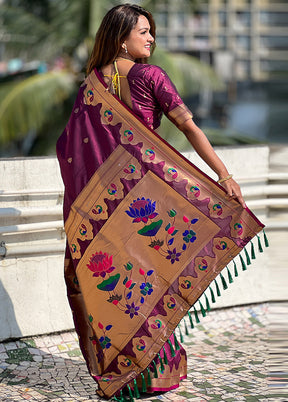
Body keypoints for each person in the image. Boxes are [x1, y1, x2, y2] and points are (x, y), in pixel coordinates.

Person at [56, 4, 264, 401]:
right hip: (146, 200)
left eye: (151, 31)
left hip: (99, 205)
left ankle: (120, 373)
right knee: (149, 281)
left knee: (119, 286)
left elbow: (69, 149)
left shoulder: (90, 87)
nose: (151, 38)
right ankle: (152, 374)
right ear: (122, 38)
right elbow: (188, 125)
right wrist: (224, 176)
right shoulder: (150, 75)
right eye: (144, 31)